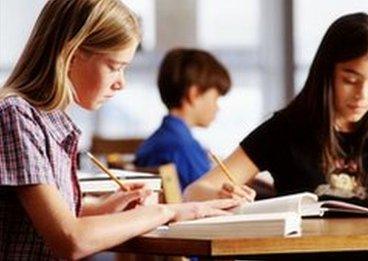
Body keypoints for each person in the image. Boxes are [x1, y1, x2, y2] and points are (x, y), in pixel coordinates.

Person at [0, 0, 237, 259]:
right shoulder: (16, 116)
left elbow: (43, 219)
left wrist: (104, 207)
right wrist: (168, 211)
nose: (121, 83)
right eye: (115, 67)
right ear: (72, 54)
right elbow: (71, 239)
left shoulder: (49, 121)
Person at [185, 13, 368, 260]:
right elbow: (194, 192)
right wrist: (222, 195)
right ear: (327, 72)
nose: (362, 94)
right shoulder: (287, 129)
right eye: (350, 80)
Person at [135, 48, 231, 191]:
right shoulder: (182, 147)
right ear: (194, 94)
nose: (217, 108)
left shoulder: (153, 143)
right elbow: (211, 193)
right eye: (215, 98)